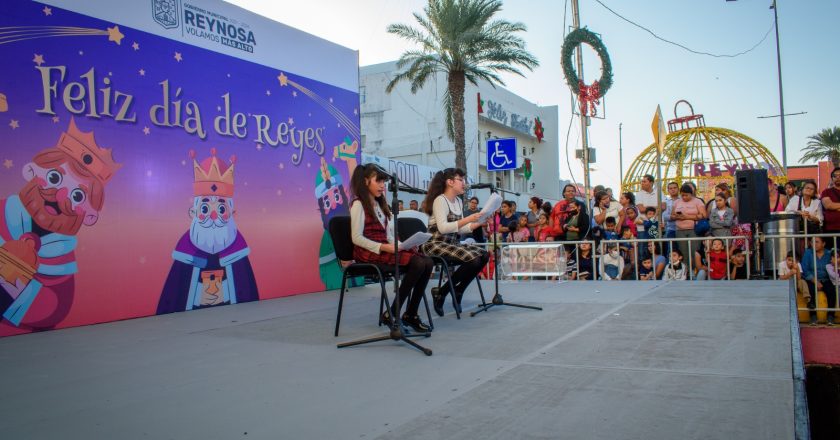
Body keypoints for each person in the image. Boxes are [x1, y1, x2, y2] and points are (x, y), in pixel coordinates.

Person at [1, 120, 121, 329]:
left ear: (90, 216)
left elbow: (56, 308)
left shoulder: (59, 258)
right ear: (31, 171)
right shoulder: (3, 214)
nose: (59, 196)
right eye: (55, 177)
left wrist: (15, 288)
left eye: (77, 195)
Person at [158, 150, 259, 315]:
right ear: (194, 212)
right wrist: (198, 295)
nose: (213, 217)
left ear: (233, 214)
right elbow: (175, 295)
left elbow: (245, 290)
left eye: (221, 208)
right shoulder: (185, 251)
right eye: (205, 208)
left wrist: (224, 292)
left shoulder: (238, 250)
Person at [349, 164, 433, 332]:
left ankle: (410, 313)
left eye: (384, 181)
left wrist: (401, 245)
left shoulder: (380, 205)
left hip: (384, 247)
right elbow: (356, 238)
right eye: (378, 181)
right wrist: (384, 247)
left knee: (428, 262)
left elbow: (387, 235)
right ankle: (393, 313)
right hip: (368, 252)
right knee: (417, 263)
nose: (382, 186)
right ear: (365, 181)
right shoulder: (358, 204)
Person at [421, 168, 489, 316]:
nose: (464, 183)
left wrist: (479, 222)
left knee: (484, 255)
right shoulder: (440, 200)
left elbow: (461, 228)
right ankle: (446, 292)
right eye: (461, 180)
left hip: (451, 243)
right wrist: (469, 219)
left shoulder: (458, 201)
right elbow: (443, 228)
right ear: (450, 182)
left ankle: (456, 290)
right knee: (474, 260)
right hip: (435, 244)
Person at [802, 236, 835, 325]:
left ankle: (830, 316)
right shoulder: (808, 253)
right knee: (811, 290)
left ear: (823, 244)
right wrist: (815, 281)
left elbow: (834, 265)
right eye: (812, 242)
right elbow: (805, 269)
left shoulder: (829, 253)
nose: (814, 244)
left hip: (826, 279)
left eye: (817, 242)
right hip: (812, 279)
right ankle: (813, 317)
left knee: (831, 290)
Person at [671, 183, 706, 267]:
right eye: (682, 195)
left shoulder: (698, 201)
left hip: (693, 230)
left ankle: (695, 270)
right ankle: (685, 271)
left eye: (686, 195)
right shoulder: (676, 202)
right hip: (680, 230)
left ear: (691, 194)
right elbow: (671, 216)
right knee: (683, 252)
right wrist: (677, 216)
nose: (684, 197)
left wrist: (687, 217)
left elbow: (704, 215)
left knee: (694, 251)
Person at [821, 167, 840, 245]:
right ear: (832, 179)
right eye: (835, 176)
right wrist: (832, 206)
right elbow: (828, 205)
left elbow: (832, 205)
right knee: (834, 255)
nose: (838, 177)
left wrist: (835, 206)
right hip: (831, 230)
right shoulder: (826, 192)